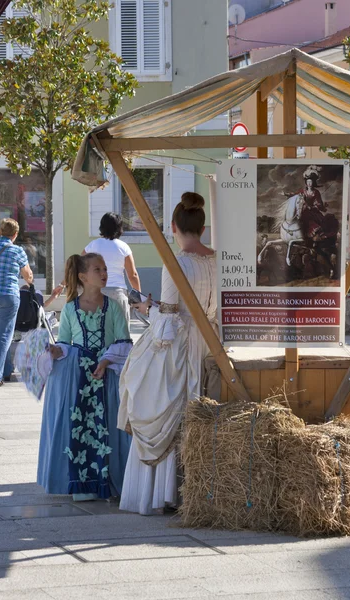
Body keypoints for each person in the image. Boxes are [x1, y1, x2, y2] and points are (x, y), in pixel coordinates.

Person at [118, 192, 216, 515]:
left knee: (162, 401)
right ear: (202, 228)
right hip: (211, 342)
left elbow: (168, 323)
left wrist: (148, 307)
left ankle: (167, 491)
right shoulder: (218, 259)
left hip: (183, 347)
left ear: (173, 226)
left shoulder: (175, 263)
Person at [37, 253, 132, 501]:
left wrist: (106, 360)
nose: (103, 273)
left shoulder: (113, 306)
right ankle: (82, 485)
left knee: (108, 427)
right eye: (97, 269)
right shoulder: (70, 308)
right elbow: (66, 343)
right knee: (76, 426)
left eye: (104, 269)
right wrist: (55, 351)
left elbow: (124, 342)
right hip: (77, 377)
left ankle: (107, 481)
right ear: (82, 276)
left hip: (105, 377)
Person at [0, 218, 33, 387]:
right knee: (3, 336)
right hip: (7, 297)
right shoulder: (17, 251)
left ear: (0, 232)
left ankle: (7, 369)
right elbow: (28, 276)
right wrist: (28, 282)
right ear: (15, 234)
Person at [83, 213, 141, 324]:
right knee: (121, 334)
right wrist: (138, 298)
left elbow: (78, 266)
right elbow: (132, 275)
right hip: (117, 292)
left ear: (101, 227)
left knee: (97, 332)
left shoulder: (93, 245)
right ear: (119, 228)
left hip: (96, 292)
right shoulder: (123, 247)